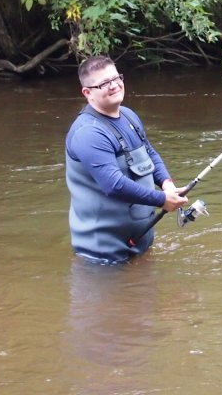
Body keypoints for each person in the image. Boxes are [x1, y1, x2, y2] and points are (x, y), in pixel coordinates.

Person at [65, 55, 189, 264]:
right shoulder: (88, 133)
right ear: (87, 93)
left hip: (139, 240)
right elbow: (114, 185)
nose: (114, 86)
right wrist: (162, 200)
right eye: (104, 83)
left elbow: (149, 153)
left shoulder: (128, 115)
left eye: (116, 78)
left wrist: (167, 184)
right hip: (102, 254)